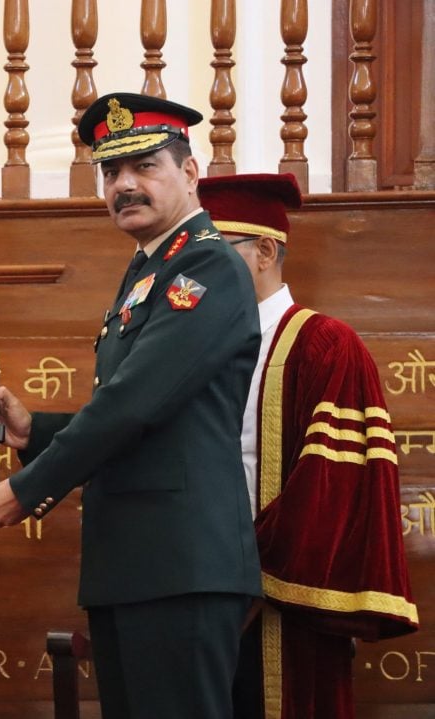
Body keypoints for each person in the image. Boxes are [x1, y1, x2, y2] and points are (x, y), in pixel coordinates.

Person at [0, 92, 263, 718]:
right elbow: (151, 417)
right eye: (111, 171)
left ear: (190, 172)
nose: (124, 185)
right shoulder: (150, 269)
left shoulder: (206, 267)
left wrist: (28, 489)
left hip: (180, 564)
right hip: (137, 563)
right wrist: (32, 431)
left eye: (145, 166)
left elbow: (133, 403)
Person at [197, 173, 418, 719]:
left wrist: (248, 579)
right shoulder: (194, 345)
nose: (197, 273)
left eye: (215, 253)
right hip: (195, 592)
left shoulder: (325, 345)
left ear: (265, 251)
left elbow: (331, 489)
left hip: (279, 601)